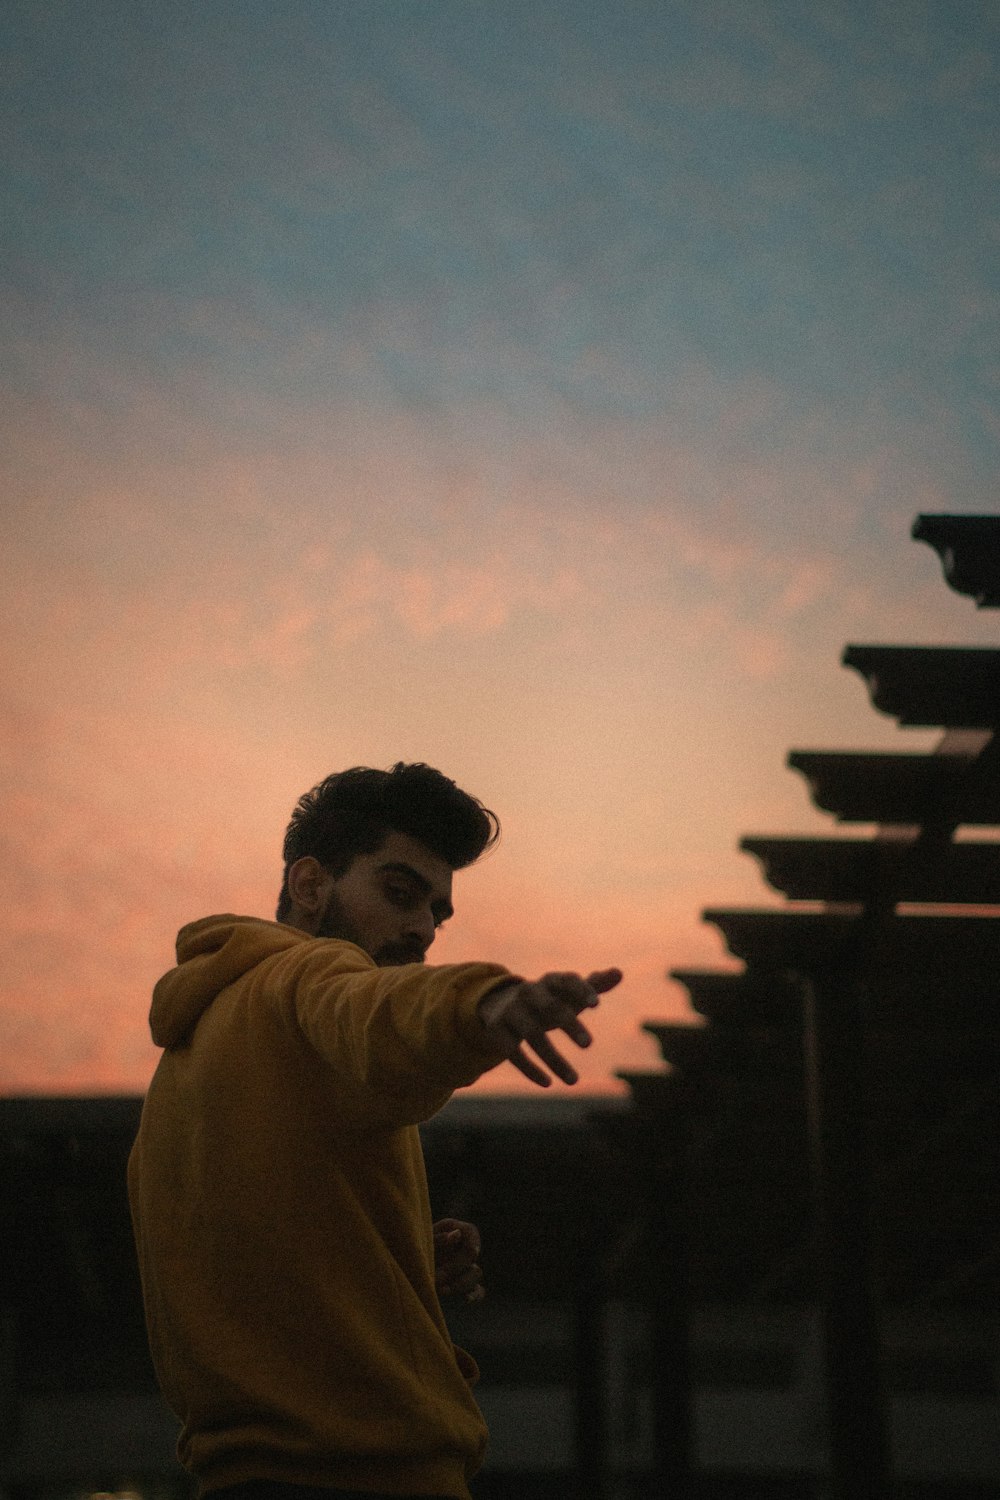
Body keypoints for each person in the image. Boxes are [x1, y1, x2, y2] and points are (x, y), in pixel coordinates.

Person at [127, 762, 621, 1500]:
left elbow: (252, 1255)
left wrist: (390, 1259)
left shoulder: (182, 1076)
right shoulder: (306, 979)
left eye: (436, 913)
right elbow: (378, 1013)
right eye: (399, 893)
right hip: (369, 1477)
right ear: (311, 885)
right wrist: (485, 1002)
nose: (422, 927)